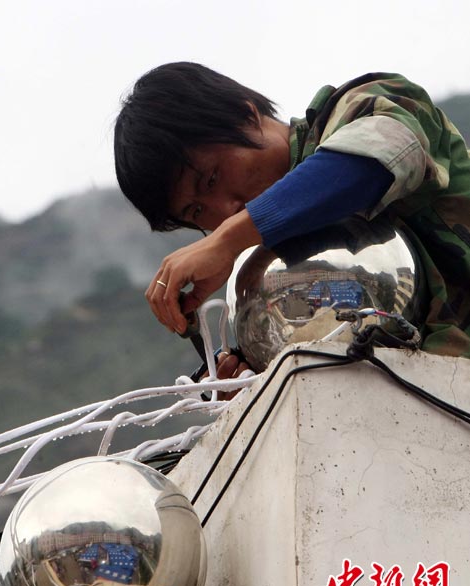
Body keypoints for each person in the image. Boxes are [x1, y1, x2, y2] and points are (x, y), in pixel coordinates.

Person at [114, 62, 470, 364]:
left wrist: (226, 241)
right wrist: (259, 375)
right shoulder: (272, 260)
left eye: (211, 178)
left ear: (246, 116)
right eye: (196, 211)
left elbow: (377, 159)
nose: (226, 210)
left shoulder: (367, 103)